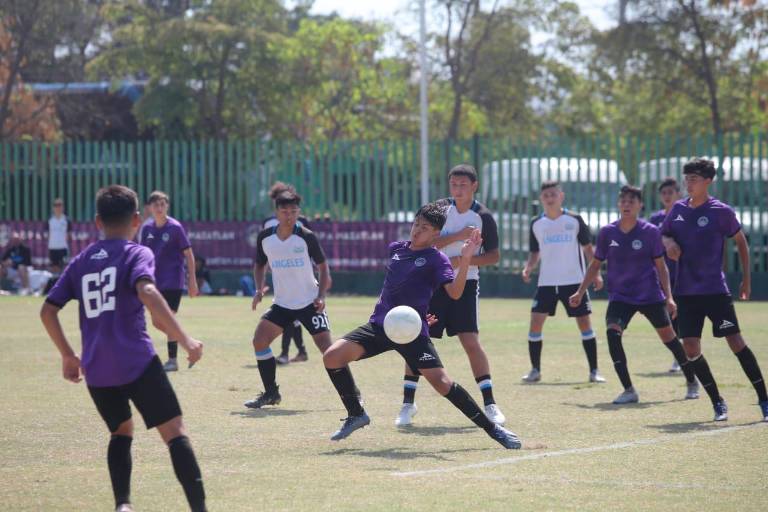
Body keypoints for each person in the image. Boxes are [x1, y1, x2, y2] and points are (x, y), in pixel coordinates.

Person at [39, 185, 206, 512]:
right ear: (135, 219)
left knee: (121, 431)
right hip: (137, 361)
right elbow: (147, 292)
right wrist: (186, 340)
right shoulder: (137, 252)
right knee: (174, 432)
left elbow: (47, 311)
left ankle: (123, 505)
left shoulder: (80, 261)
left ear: (97, 220)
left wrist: (68, 355)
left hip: (97, 369)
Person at [320, 202, 521, 448]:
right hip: (381, 326)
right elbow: (398, 288)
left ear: (436, 233)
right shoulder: (396, 249)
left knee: (442, 384)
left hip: (412, 332)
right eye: (416, 224)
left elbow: (455, 293)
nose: (416, 230)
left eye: (424, 227)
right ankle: (356, 413)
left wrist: (467, 259)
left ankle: (493, 430)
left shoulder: (437, 260)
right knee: (332, 357)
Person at [395, 164, 505, 427]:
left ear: (474, 186)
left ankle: (490, 404)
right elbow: (422, 242)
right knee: (417, 340)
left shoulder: (484, 217)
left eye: (463, 185)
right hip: (433, 284)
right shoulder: (438, 211)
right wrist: (457, 238)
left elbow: (494, 256)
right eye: (454, 184)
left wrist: (465, 259)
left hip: (465, 285)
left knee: (470, 342)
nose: (458, 189)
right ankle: (407, 405)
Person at [569, 185, 699, 404]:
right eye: (623, 200)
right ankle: (629, 390)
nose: (627, 204)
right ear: (619, 204)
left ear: (640, 205)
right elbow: (595, 264)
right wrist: (580, 291)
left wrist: (668, 297)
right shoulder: (607, 232)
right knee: (613, 334)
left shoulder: (650, 232)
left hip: (649, 295)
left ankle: (691, 381)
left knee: (670, 339)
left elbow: (661, 267)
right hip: (621, 297)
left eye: (632, 201)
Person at [660, 158, 768, 422]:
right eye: (687, 179)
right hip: (686, 292)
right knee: (690, 348)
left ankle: (764, 400)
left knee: (736, 342)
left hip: (715, 292)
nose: (689, 184)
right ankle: (718, 402)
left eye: (694, 179)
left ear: (708, 181)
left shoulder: (721, 211)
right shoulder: (677, 210)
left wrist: (746, 280)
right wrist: (668, 242)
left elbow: (740, 242)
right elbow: (663, 234)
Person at [245, 188, 333, 408]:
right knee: (259, 341)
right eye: (285, 211)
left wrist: (321, 296)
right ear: (277, 212)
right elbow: (259, 264)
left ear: (298, 212)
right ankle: (271, 393)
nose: (290, 215)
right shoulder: (266, 237)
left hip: (309, 301)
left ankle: (354, 395)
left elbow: (323, 268)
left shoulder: (306, 236)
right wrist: (258, 289)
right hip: (282, 303)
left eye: (294, 211)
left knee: (329, 352)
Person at [521, 181, 605, 383]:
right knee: (535, 322)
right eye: (546, 195)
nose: (550, 198)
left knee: (584, 322)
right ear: (541, 199)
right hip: (546, 283)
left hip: (574, 282)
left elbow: (588, 249)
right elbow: (535, 252)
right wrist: (528, 267)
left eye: (553, 194)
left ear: (561, 196)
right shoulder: (536, 223)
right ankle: (535, 370)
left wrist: (596, 274)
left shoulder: (575, 220)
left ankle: (594, 371)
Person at [140, 191, 199, 372]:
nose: (159, 208)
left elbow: (188, 254)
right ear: (149, 208)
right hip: (154, 283)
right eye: (155, 205)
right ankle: (191, 343)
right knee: (157, 322)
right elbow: (141, 255)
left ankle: (172, 361)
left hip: (173, 281)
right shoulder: (147, 229)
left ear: (167, 206)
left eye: (162, 204)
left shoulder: (175, 228)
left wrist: (192, 281)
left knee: (168, 319)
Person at [262, 182, 313, 365]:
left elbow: (311, 248)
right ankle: (300, 351)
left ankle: (286, 353)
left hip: (301, 275)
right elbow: (265, 250)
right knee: (292, 316)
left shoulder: (303, 221)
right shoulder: (268, 223)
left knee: (292, 314)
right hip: (281, 275)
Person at [648, 178, 686, 373]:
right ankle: (678, 357)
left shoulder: (685, 215)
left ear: (678, 194)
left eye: (671, 192)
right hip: (663, 274)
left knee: (685, 314)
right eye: (664, 193)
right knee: (670, 314)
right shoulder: (655, 219)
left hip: (684, 272)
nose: (667, 196)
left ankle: (685, 356)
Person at [47, 198, 72, 273]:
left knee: (63, 269)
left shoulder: (66, 220)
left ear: (63, 207)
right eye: (56, 205)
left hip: (63, 247)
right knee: (53, 269)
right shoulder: (50, 220)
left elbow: (69, 235)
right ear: (53, 208)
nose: (58, 207)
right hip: (52, 247)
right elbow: (48, 234)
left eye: (59, 205)